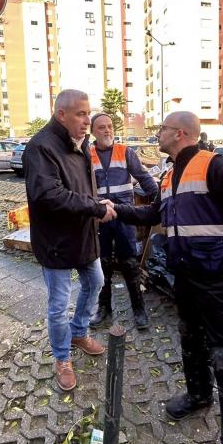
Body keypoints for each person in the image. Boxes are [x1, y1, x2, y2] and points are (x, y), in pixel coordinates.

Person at [109, 111, 223, 444]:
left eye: (161, 128)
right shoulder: (169, 175)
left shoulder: (216, 166)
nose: (156, 133)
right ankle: (198, 395)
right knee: (190, 338)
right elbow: (153, 214)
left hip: (217, 279)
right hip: (185, 277)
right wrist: (115, 210)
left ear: (179, 133)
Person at [22, 89, 117, 392]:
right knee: (59, 304)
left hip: (84, 235)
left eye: (89, 113)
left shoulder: (80, 143)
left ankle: (78, 331)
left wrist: (98, 204)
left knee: (96, 282)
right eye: (81, 114)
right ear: (61, 114)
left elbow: (83, 188)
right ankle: (62, 358)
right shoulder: (40, 147)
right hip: (56, 242)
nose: (88, 121)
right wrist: (95, 208)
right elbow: (49, 195)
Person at [88, 113, 158, 329]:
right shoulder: (87, 155)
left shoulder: (125, 151)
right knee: (103, 263)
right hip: (100, 216)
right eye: (101, 127)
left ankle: (138, 309)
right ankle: (104, 308)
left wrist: (160, 199)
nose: (107, 130)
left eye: (109, 126)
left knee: (129, 262)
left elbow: (144, 177)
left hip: (124, 215)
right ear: (93, 132)